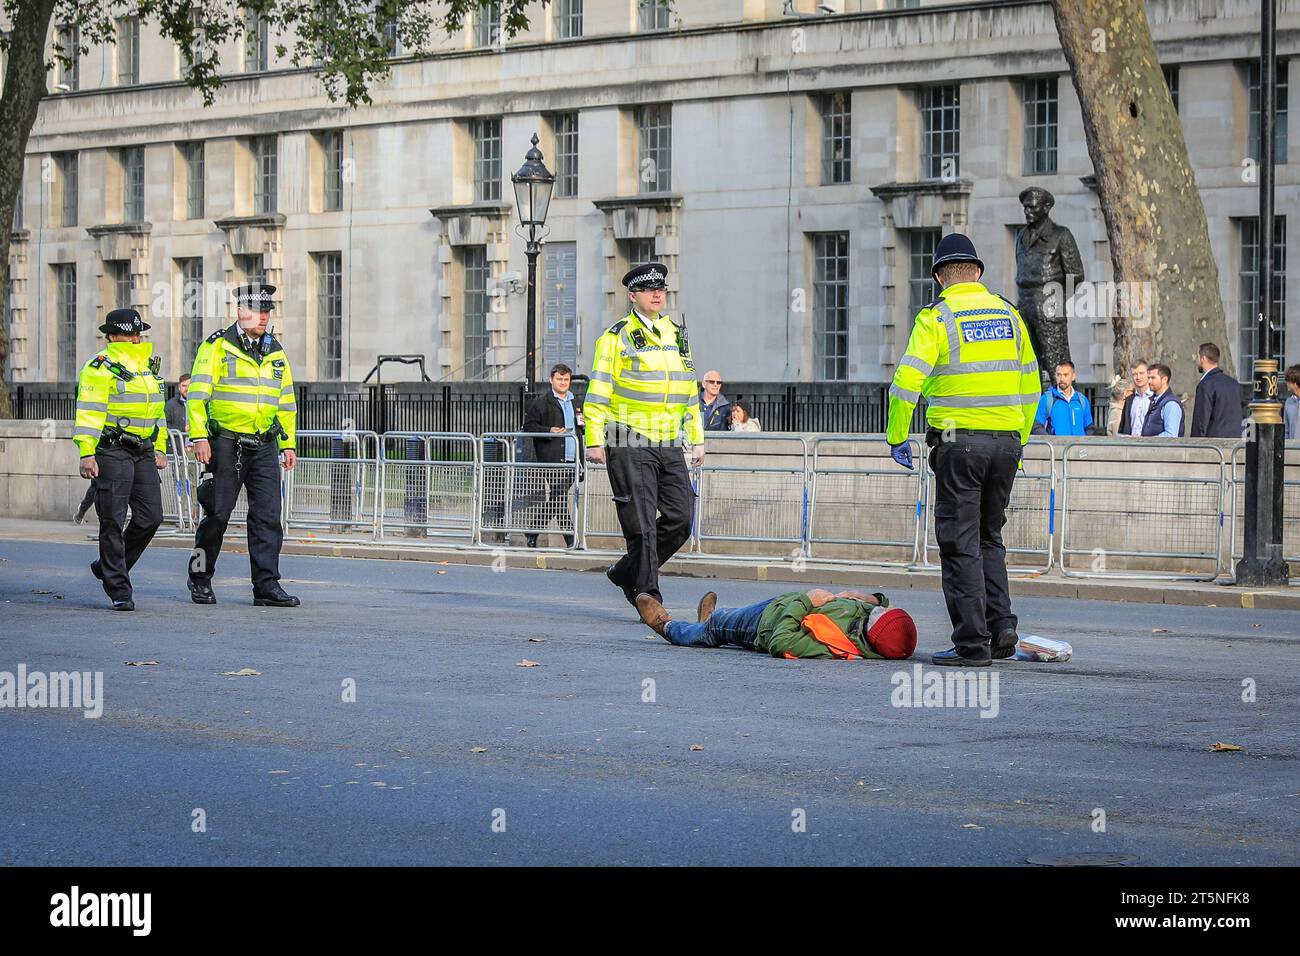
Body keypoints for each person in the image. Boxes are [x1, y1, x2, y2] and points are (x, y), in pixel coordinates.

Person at [885, 233, 1040, 667]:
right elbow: (1032, 386)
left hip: (959, 443)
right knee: (991, 536)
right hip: (1007, 443)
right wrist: (1018, 441)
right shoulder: (1010, 315)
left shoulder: (937, 317)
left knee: (960, 543)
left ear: (939, 277)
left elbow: (906, 384)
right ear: (977, 272)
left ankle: (972, 644)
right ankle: (1001, 627)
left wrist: (897, 435)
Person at [584, 263, 705, 609]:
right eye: (649, 289)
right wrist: (594, 439)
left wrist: (697, 437)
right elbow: (599, 390)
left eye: (661, 289)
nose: (657, 294)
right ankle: (648, 595)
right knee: (642, 526)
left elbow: (688, 390)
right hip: (627, 438)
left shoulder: (677, 334)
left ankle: (626, 571)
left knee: (681, 518)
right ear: (633, 295)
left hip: (667, 440)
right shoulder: (616, 336)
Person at [186, 283, 300, 607]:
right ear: (240, 312)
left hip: (264, 445)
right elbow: (197, 395)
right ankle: (199, 577)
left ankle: (266, 586)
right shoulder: (218, 346)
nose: (263, 317)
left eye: (267, 311)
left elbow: (286, 402)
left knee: (267, 517)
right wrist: (199, 437)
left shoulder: (275, 350)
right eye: (257, 310)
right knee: (216, 515)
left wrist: (288, 443)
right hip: (226, 442)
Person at [72, 308, 169, 611]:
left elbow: (157, 411)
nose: (135, 339)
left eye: (138, 334)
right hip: (111, 449)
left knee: (151, 516)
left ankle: (108, 566)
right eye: (128, 334)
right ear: (111, 336)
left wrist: (161, 446)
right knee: (112, 518)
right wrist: (87, 452)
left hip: (143, 449)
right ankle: (119, 587)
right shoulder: (99, 366)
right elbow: (88, 411)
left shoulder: (148, 368)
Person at [634, 588, 917, 661]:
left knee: (716, 629)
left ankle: (668, 627)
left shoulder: (835, 646)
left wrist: (805, 601)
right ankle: (709, 622)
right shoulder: (872, 625)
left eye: (878, 612)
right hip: (780, 605)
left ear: (872, 631)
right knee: (725, 619)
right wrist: (872, 597)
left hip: (763, 625)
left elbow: (780, 642)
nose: (876, 609)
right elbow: (884, 609)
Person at [521, 363, 584, 548]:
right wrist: (549, 430)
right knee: (559, 497)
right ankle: (572, 541)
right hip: (551, 458)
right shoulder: (541, 402)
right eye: (559, 379)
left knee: (557, 498)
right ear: (551, 380)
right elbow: (529, 426)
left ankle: (532, 530)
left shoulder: (577, 402)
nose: (563, 382)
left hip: (574, 458)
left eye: (566, 379)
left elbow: (582, 428)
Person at [1190, 342, 1245, 438]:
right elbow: (1244, 412)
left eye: (1198, 357)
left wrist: (1196, 444)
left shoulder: (1206, 385)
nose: (1196, 361)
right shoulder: (1234, 384)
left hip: (1214, 444)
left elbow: (1201, 420)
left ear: (1203, 359)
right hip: (1236, 441)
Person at [1033, 360, 1092, 436]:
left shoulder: (1082, 400)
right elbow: (1037, 427)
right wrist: (1051, 442)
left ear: (1073, 376)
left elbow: (1089, 428)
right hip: (1056, 446)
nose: (1061, 379)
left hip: (1078, 446)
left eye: (1065, 375)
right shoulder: (1047, 399)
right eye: (1059, 375)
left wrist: (1084, 445)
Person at [1141, 363, 1184, 437]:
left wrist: (1148, 441)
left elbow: (1171, 435)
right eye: (1148, 378)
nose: (1149, 381)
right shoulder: (1155, 400)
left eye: (1153, 378)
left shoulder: (1171, 404)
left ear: (1164, 379)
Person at [1117, 361, 1153, 436]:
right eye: (1134, 374)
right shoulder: (1129, 400)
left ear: (1148, 374)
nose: (1138, 377)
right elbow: (1122, 428)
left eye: (1141, 373)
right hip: (1130, 445)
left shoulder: (1156, 398)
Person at [1285, 364, 1300, 441]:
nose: (1286, 382)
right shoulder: (1288, 402)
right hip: (1292, 450)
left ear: (1295, 383)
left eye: (1288, 380)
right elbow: (1286, 431)